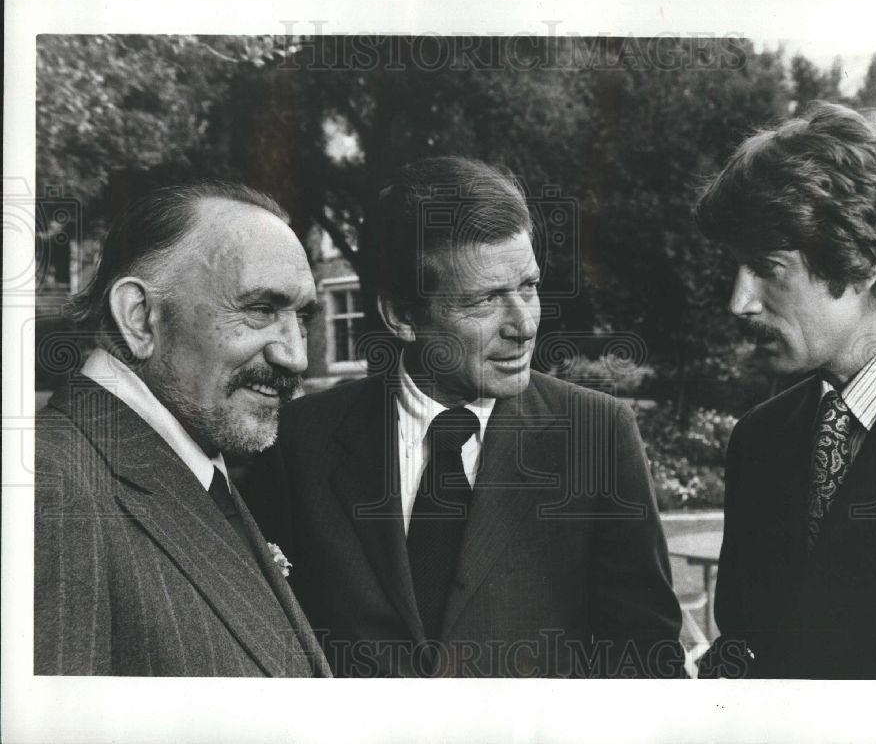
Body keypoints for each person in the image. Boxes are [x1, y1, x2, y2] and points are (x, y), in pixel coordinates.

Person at [244, 157, 683, 678]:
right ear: (402, 316)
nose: (523, 324)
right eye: (485, 300)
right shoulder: (299, 441)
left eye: (528, 287)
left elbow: (647, 667)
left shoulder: (597, 435)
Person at [695, 102, 876, 679]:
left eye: (767, 267)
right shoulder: (760, 440)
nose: (738, 302)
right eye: (736, 269)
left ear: (865, 258)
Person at [34, 181, 332, 677]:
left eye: (302, 317)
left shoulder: (192, 460)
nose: (295, 355)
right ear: (140, 318)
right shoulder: (48, 491)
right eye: (260, 309)